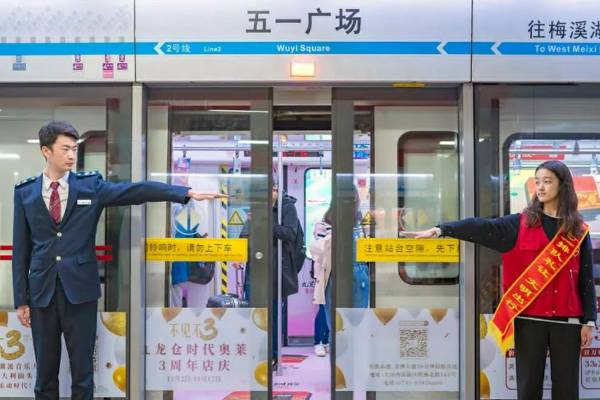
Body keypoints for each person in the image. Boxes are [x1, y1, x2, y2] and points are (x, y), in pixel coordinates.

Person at [12, 120, 225, 400]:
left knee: (82, 373)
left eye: (74, 149)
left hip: (81, 293)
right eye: (65, 149)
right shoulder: (25, 192)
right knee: (45, 375)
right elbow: (22, 250)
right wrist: (22, 300)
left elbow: (135, 191)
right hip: (42, 293)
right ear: (46, 151)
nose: (71, 155)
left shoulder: (89, 186)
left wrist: (183, 193)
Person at [404, 160, 596, 400]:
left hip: (568, 322)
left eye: (547, 182)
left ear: (563, 185)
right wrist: (441, 229)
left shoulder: (578, 230)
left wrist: (589, 320)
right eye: (537, 182)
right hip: (529, 320)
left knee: (567, 389)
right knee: (528, 387)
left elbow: (586, 278)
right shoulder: (519, 224)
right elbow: (482, 226)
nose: (540, 187)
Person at [310, 206, 332, 357]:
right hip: (325, 272)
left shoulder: (354, 226)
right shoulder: (322, 225)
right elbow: (317, 249)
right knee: (324, 309)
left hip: (344, 273)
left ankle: (328, 341)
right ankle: (319, 342)